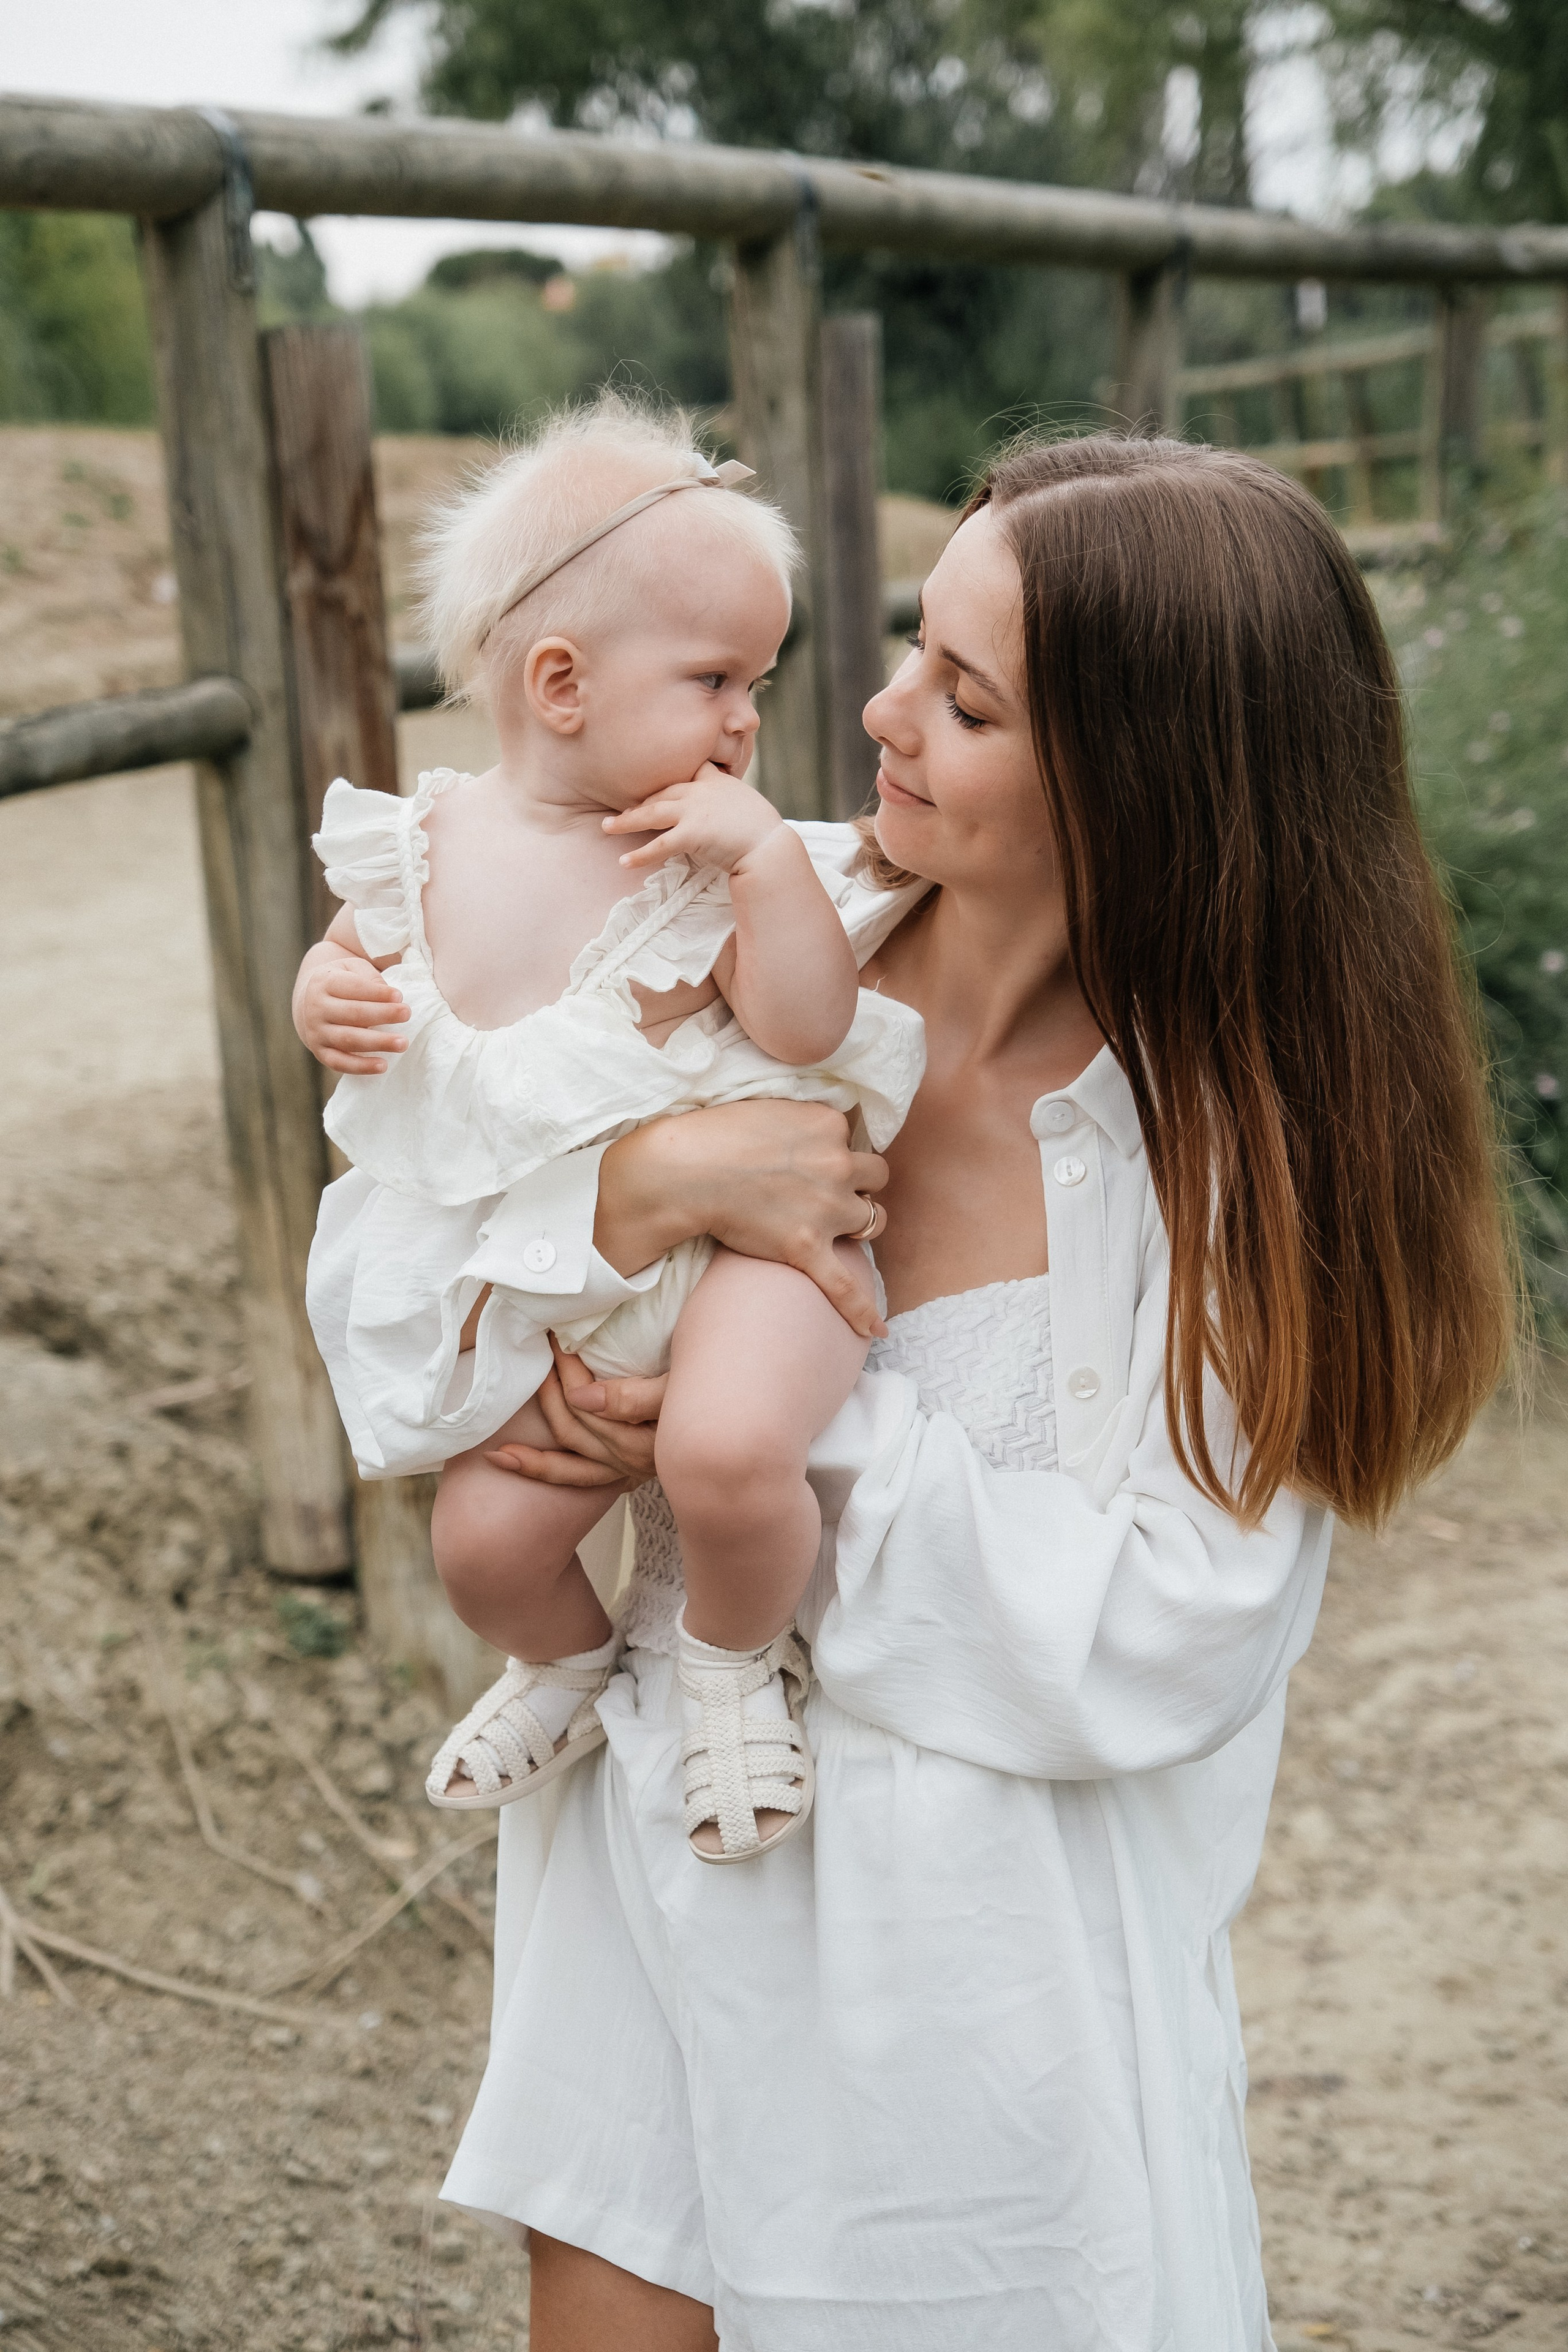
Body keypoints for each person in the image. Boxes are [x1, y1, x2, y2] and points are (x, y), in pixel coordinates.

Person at [321, 432, 1517, 2350]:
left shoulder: (1222, 1169)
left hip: (976, 2014)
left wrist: (768, 1440)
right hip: (658, 1873)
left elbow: (1163, 1632)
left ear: (1147, 786)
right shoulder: (744, 931)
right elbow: (384, 1297)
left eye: (962, 699)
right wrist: (630, 1202)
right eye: (907, 649)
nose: (871, 715)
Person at [294, 398, 924, 1862]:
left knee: (722, 1459)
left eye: (754, 680)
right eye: (713, 677)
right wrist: (329, 991)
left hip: (742, 1245)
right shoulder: (421, 841)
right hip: (548, 1269)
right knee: (483, 1543)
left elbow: (807, 1026)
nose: (746, 718)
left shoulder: (703, 853)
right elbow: (353, 958)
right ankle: (568, 1665)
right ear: (561, 683)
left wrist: (766, 865)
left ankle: (727, 1661)